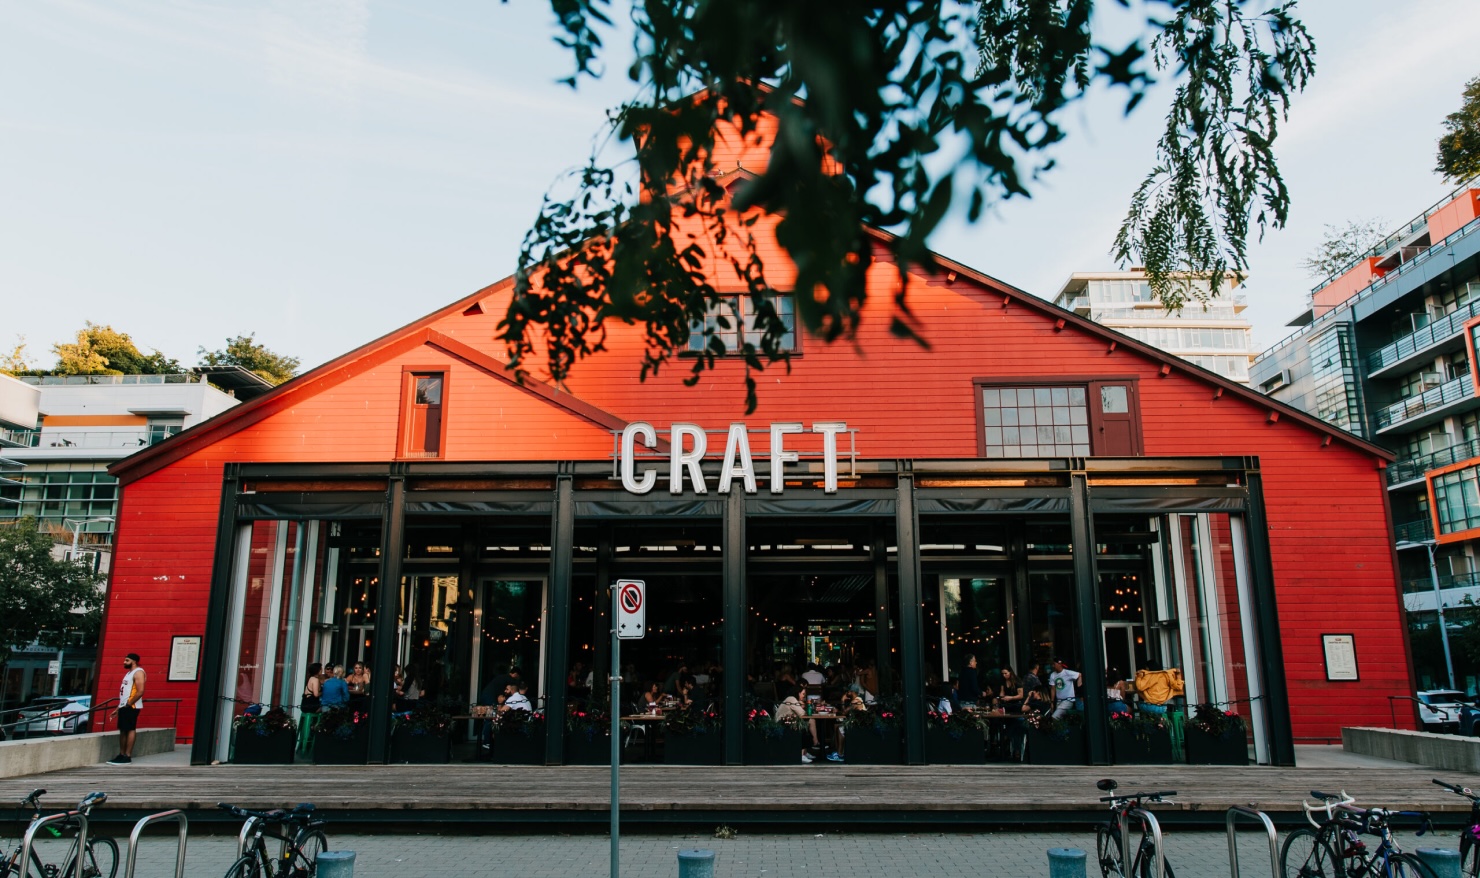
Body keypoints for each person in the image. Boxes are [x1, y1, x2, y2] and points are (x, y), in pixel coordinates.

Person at [106, 653, 146, 765]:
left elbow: (140, 691)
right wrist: (118, 708)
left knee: (130, 728)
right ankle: (121, 754)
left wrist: (129, 703)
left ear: (134, 661)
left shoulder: (138, 672)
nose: (124, 662)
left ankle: (127, 755)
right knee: (123, 730)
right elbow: (125, 692)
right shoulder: (129, 673)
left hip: (131, 706)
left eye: (127, 660)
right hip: (124, 705)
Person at [774, 683, 817, 763]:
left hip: (789, 722)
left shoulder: (793, 700)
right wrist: (802, 705)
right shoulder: (791, 699)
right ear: (798, 693)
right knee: (810, 721)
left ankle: (805, 752)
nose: (804, 696)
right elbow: (802, 714)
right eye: (803, 694)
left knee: (807, 722)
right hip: (782, 723)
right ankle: (805, 751)